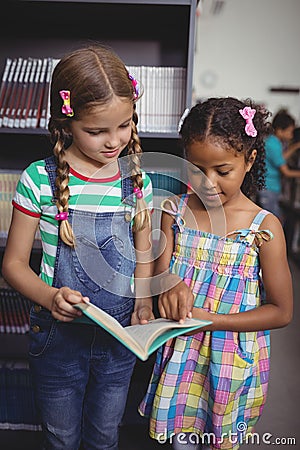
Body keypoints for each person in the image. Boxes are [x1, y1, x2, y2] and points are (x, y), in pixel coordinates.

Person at [2, 44, 155, 450]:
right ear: (67, 124)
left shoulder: (137, 179)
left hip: (118, 336)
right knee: (61, 436)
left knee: (105, 435)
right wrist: (50, 296)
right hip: (58, 337)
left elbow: (143, 254)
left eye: (124, 126)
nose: (114, 141)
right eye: (96, 131)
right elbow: (14, 264)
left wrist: (142, 304)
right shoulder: (39, 179)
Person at [138, 97, 293, 450]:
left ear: (250, 159)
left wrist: (213, 321)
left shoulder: (263, 228)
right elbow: (160, 279)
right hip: (181, 357)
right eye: (195, 169)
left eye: (222, 171)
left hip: (229, 363)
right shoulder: (173, 211)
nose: (207, 183)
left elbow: (282, 312)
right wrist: (166, 285)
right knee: (181, 442)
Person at [256, 108, 300, 221]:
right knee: (274, 220)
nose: (291, 135)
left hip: (269, 187)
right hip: (269, 188)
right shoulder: (274, 145)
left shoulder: (272, 141)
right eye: (289, 131)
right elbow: (286, 172)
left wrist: (294, 147)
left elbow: (280, 158)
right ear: (280, 131)